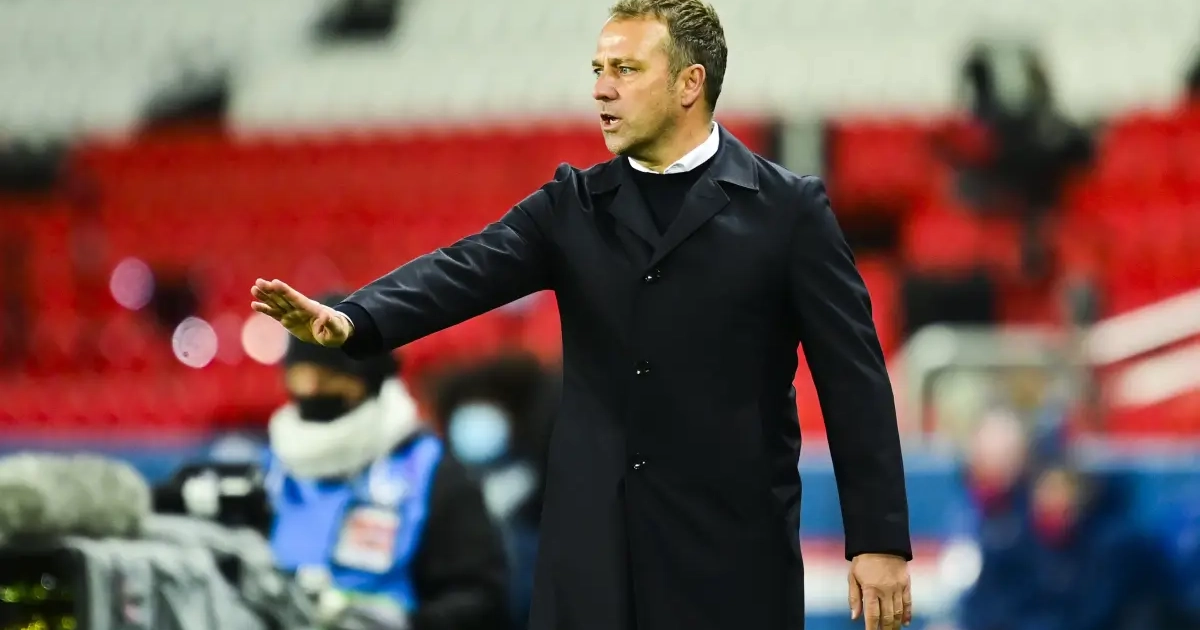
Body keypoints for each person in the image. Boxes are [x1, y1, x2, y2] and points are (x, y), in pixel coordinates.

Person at [250, 1, 913, 629]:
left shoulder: (788, 212)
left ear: (690, 83)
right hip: (591, 566)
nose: (602, 89)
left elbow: (853, 380)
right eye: (598, 69)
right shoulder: (572, 207)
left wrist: (878, 538)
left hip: (731, 563)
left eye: (625, 69)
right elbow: (463, 268)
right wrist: (354, 319)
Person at [261, 294, 510, 630]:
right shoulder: (273, 467)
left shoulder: (432, 474)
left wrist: (405, 625)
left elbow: (481, 597)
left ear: (368, 379)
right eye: (301, 376)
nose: (312, 390)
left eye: (329, 377)